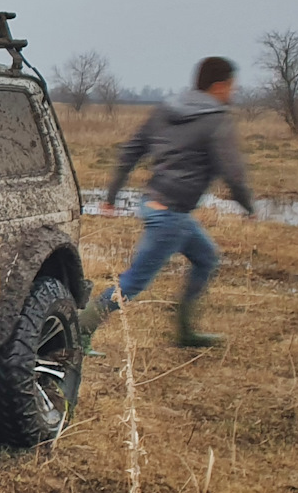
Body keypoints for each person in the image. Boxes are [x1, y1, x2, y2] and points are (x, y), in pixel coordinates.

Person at [83, 55, 255, 349]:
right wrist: (248, 205)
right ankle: (77, 332)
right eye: (232, 86)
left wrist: (112, 196)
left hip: (159, 205)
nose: (234, 92)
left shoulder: (166, 109)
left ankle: (185, 332)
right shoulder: (216, 120)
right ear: (218, 86)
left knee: (206, 258)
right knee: (134, 282)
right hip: (170, 215)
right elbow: (233, 172)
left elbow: (131, 151)